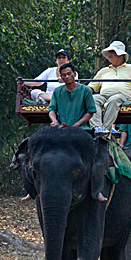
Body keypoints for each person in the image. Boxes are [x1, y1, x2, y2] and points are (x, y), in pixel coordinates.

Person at [48, 63, 106, 201]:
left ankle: (97, 190)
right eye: (64, 75)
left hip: (81, 132)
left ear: (74, 74)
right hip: (61, 131)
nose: (67, 77)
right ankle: (34, 190)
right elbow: (51, 110)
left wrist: (76, 125)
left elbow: (90, 111)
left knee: (95, 158)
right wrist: (54, 120)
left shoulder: (85, 91)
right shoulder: (58, 92)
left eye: (69, 74)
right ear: (60, 77)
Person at [88, 41, 131, 135]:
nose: (109, 54)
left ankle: (105, 131)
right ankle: (97, 127)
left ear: (120, 55)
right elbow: (91, 87)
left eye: (113, 52)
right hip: (104, 95)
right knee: (93, 99)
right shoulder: (103, 71)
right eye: (109, 52)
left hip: (122, 95)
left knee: (114, 100)